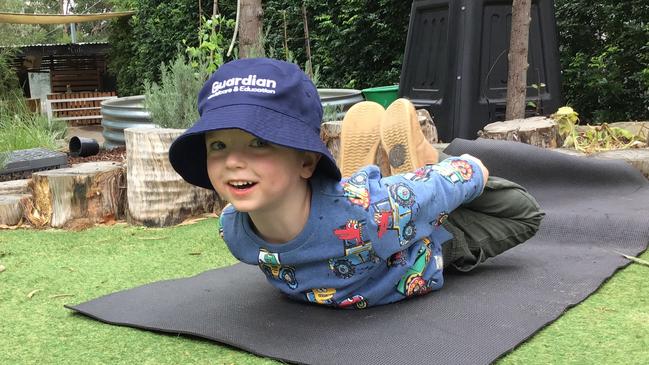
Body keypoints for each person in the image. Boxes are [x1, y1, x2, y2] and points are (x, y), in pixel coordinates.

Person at [169, 58, 544, 309]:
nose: (233, 160)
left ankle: (427, 159)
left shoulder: (370, 212)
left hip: (415, 239)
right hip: (364, 212)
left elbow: (474, 192)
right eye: (218, 145)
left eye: (258, 142)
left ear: (305, 160)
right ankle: (369, 175)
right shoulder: (233, 229)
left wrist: (467, 167)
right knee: (371, 197)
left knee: (523, 214)